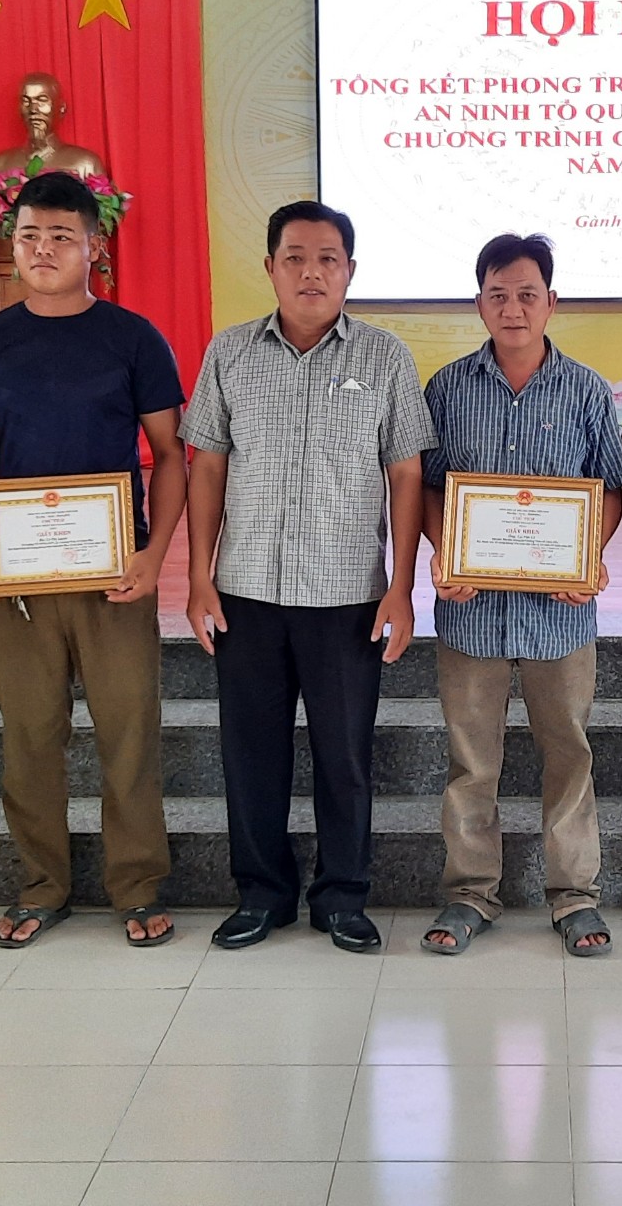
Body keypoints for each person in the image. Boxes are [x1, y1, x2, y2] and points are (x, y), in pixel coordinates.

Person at [0, 171, 185, 950]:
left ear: (94, 246)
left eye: (61, 237)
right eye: (29, 237)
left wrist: (154, 553)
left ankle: (136, 886)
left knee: (129, 733)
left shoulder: (133, 339)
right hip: (17, 575)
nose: (43, 250)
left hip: (115, 574)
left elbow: (170, 454)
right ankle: (41, 885)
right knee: (31, 736)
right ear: (11, 245)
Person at [182, 201, 434, 954]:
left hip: (348, 595)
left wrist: (401, 586)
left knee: (344, 756)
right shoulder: (229, 353)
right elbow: (206, 468)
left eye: (328, 258)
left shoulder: (385, 357)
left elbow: (407, 474)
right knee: (250, 754)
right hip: (246, 590)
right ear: (269, 267)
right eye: (294, 257)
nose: (311, 272)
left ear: (350, 270)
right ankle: (262, 894)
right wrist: (198, 577)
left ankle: (342, 897)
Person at [417, 234, 622, 960]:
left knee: (568, 754)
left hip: (559, 617)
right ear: (479, 303)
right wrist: (444, 551)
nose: (513, 309)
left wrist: (587, 557)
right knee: (471, 762)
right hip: (471, 612)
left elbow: (609, 490)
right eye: (499, 295)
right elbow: (429, 488)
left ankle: (574, 895)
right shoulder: (448, 389)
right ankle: (470, 893)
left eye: (527, 295)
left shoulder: (585, 390)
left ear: (552, 302)